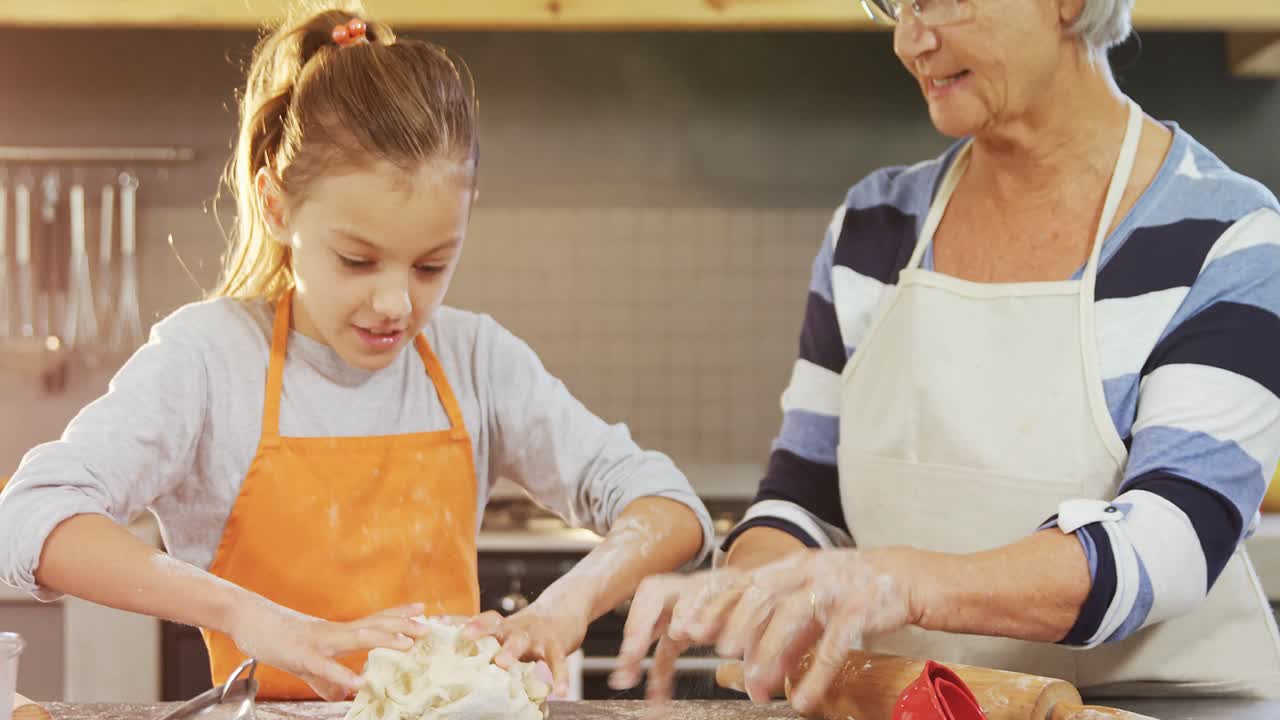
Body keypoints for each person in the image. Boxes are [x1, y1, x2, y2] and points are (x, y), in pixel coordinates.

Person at [0, 4, 711, 702]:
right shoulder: (210, 361)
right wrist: (250, 615)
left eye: (431, 266)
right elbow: (29, 519)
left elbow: (671, 506)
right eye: (357, 260)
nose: (397, 304)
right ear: (276, 207)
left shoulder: (475, 361)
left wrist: (567, 606)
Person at [613, 0, 1280, 710]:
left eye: (942, 1)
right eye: (893, 4)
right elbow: (804, 501)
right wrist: (759, 581)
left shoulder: (1228, 238)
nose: (910, 39)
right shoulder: (874, 231)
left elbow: (1169, 541)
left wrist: (901, 582)